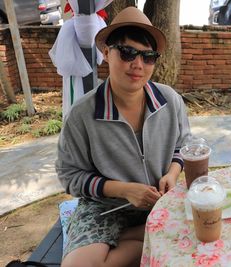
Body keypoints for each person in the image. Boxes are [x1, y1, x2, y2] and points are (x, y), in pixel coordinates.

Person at [56, 7, 190, 267]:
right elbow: (69, 175)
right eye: (127, 53)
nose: (138, 64)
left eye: (148, 56)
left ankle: (127, 238)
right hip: (105, 207)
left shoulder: (170, 101)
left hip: (158, 202)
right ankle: (142, 239)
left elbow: (182, 146)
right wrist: (124, 190)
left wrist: (172, 175)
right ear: (106, 52)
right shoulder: (83, 113)